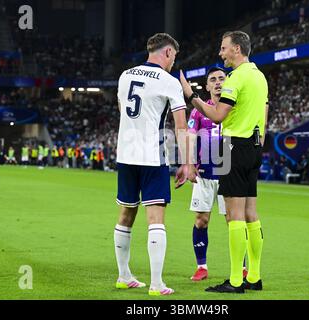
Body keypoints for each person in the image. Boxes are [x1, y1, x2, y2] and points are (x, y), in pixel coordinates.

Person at [180, 30, 268, 293]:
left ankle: (235, 281)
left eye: (223, 48)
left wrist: (192, 97)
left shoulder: (236, 78)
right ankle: (254, 276)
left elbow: (218, 115)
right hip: (254, 146)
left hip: (234, 147)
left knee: (235, 215)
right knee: (251, 214)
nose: (221, 53)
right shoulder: (259, 76)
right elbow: (264, 111)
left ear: (237, 49)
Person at [114, 33, 197, 296]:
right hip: (152, 156)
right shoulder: (169, 81)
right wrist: (186, 162)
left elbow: (122, 110)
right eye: (175, 57)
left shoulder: (125, 75)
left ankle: (124, 276)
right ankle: (157, 283)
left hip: (125, 154)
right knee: (156, 218)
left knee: (126, 214)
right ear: (169, 52)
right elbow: (181, 126)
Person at [187, 67, 249, 281]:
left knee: (234, 221)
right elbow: (190, 136)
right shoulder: (199, 110)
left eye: (222, 78)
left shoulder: (235, 107)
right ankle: (201, 267)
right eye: (212, 79)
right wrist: (189, 163)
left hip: (229, 173)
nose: (217, 82)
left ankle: (241, 267)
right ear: (207, 86)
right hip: (204, 174)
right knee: (201, 220)